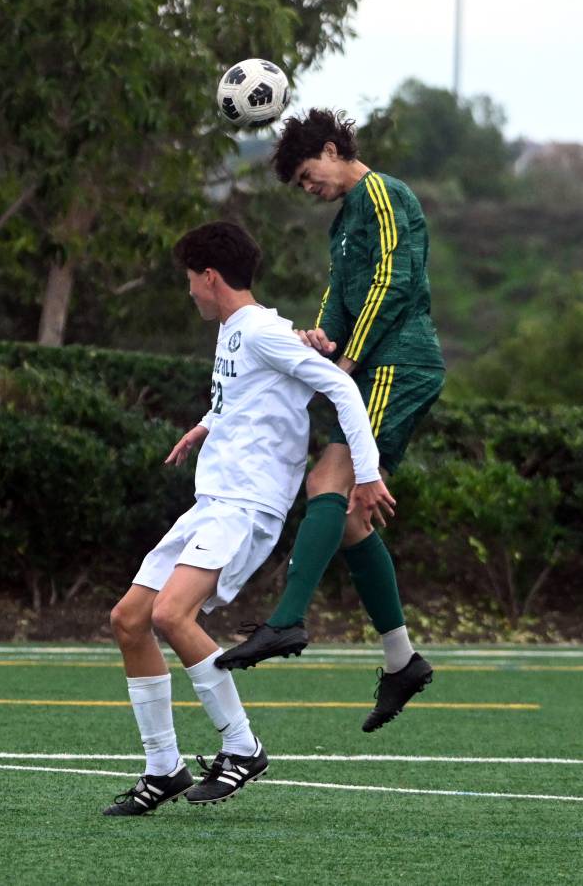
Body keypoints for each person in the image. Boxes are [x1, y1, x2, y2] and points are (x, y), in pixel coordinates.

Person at [103, 221, 391, 815]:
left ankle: (242, 748)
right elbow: (243, 395)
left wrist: (366, 473)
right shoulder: (234, 330)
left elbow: (341, 390)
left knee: (171, 614)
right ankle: (164, 769)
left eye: (190, 279)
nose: (189, 291)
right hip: (212, 501)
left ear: (210, 277)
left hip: (246, 506)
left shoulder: (263, 331)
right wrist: (205, 425)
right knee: (129, 620)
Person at [214, 109, 445, 734]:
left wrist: (345, 363)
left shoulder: (384, 193)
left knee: (327, 484)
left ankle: (287, 620)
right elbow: (341, 297)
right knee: (345, 517)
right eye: (301, 184)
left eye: (308, 175)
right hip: (372, 366)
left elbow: (392, 283)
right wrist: (321, 340)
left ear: (333, 149)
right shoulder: (346, 220)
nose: (308, 188)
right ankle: (402, 662)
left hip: (399, 363)